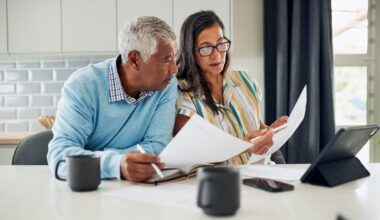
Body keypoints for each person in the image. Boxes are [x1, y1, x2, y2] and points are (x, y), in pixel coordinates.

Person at [47, 16, 178, 182]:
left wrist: (98, 159)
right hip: (89, 188)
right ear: (134, 60)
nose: (174, 69)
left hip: (136, 190)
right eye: (166, 59)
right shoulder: (83, 85)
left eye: (174, 57)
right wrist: (117, 164)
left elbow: (157, 147)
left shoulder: (166, 84)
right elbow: (60, 156)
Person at [174, 11, 288, 164]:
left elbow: (256, 125)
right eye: (205, 48)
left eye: (221, 44)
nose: (217, 55)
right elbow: (194, 153)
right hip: (222, 182)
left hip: (264, 174)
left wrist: (271, 131)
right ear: (190, 51)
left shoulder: (244, 78)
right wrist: (244, 146)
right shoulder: (181, 93)